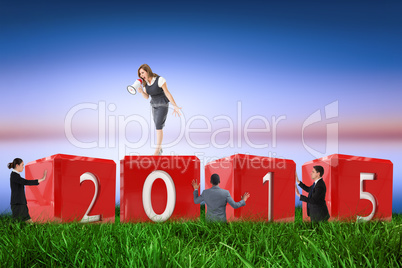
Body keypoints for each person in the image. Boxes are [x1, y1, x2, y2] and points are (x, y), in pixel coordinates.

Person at [137, 64, 182, 155]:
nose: (141, 75)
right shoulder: (145, 83)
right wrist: (141, 91)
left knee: (158, 126)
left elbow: (167, 93)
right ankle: (160, 147)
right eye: (140, 74)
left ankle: (157, 149)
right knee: (158, 126)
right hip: (153, 106)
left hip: (162, 105)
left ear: (147, 71)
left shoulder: (160, 80)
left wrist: (175, 105)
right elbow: (147, 97)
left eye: (142, 73)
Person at [8, 158, 47, 222]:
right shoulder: (14, 175)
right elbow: (25, 182)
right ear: (17, 165)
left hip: (20, 202)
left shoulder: (16, 175)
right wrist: (41, 179)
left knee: (26, 220)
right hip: (18, 203)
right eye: (22, 165)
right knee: (18, 222)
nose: (23, 167)